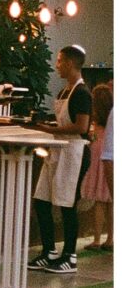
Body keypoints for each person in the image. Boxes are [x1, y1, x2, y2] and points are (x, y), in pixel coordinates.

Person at [31, 44, 93, 276]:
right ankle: (49, 251)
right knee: (42, 200)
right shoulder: (63, 91)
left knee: (67, 205)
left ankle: (70, 256)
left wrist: (50, 129)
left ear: (69, 63)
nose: (56, 65)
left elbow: (81, 126)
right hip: (57, 150)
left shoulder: (82, 93)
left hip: (74, 152)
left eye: (59, 61)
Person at [79, 80, 113, 251]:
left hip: (97, 153)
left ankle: (97, 239)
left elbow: (89, 134)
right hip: (111, 154)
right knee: (112, 200)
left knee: (99, 201)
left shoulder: (95, 116)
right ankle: (112, 239)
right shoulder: (113, 115)